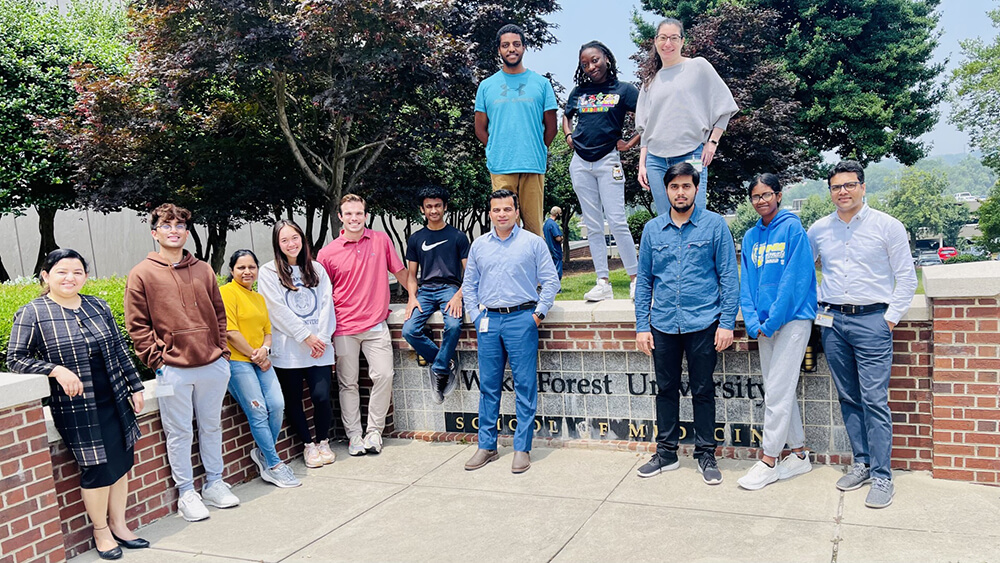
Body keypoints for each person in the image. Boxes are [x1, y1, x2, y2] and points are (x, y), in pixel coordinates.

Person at [8, 249, 148, 560]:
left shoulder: (97, 305)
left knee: (121, 463)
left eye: (77, 272)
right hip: (77, 406)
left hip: (113, 397)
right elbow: (15, 358)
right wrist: (54, 369)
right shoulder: (33, 312)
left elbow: (118, 349)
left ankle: (120, 525)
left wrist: (135, 385)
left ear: (85, 275)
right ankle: (101, 531)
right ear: (46, 276)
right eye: (61, 272)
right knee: (97, 468)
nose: (70, 278)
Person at [808, 160, 917, 509]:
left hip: (873, 321)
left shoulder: (888, 226)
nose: (843, 192)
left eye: (850, 185)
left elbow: (907, 278)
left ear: (863, 187)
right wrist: (817, 307)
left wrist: (889, 319)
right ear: (830, 191)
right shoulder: (819, 229)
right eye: (837, 186)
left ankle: (883, 476)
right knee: (848, 397)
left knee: (874, 399)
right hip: (833, 322)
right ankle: (862, 463)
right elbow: (804, 272)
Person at [125, 203, 240, 522]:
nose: (173, 230)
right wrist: (157, 362)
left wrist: (223, 355)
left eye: (179, 226)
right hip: (172, 368)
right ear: (154, 233)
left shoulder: (203, 270)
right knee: (178, 433)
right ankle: (186, 492)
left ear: (187, 233)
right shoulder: (141, 274)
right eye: (166, 225)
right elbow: (137, 325)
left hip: (212, 365)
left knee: (211, 426)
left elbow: (219, 314)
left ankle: (214, 483)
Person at [633, 162, 738, 485]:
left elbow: (729, 277)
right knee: (665, 390)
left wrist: (726, 323)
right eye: (674, 187)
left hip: (704, 323)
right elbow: (645, 281)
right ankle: (666, 453)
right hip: (663, 324)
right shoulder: (652, 230)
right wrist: (642, 325)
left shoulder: (714, 226)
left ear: (696, 189)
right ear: (666, 191)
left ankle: (706, 454)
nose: (680, 192)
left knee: (703, 390)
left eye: (686, 186)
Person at [462, 189, 560, 474]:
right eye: (496, 210)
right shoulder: (479, 245)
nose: (502, 214)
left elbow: (550, 281)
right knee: (489, 386)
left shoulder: (533, 243)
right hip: (489, 321)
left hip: (522, 319)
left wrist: (538, 315)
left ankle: (522, 448)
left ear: (517, 212)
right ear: (490, 213)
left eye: (507, 209)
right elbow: (469, 285)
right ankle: (487, 446)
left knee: (525, 386)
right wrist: (476, 314)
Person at [737, 173, 817, 491]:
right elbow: (748, 284)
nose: (761, 201)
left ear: (779, 195)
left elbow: (794, 281)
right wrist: (753, 321)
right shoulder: (750, 237)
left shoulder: (793, 229)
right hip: (765, 326)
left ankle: (769, 459)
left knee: (777, 392)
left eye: (767, 194)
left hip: (793, 320)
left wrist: (772, 322)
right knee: (778, 389)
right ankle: (798, 455)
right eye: (756, 196)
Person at [317, 194, 411, 457]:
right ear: (340, 217)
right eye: (349, 214)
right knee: (348, 383)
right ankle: (354, 436)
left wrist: (414, 297)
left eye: (359, 213)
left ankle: (374, 432)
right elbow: (322, 293)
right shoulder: (328, 253)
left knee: (384, 375)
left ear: (365, 215)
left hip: (376, 324)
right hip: (344, 327)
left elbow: (400, 271)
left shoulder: (380, 240)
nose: (354, 218)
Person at [563, 40, 640, 301]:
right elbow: (567, 115)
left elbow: (647, 116)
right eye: (585, 63)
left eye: (595, 60)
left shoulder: (624, 89)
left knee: (617, 221)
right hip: (580, 163)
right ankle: (603, 282)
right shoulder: (579, 91)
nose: (591, 66)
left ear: (606, 58)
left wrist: (630, 142)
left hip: (609, 160)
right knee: (593, 225)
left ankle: (635, 279)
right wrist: (568, 136)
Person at [636, 18, 739, 214]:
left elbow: (725, 106)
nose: (668, 44)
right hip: (655, 161)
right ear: (655, 41)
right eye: (663, 38)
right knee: (666, 220)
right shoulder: (650, 80)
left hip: (690, 153)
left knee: (695, 217)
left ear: (683, 41)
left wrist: (713, 142)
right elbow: (644, 128)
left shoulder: (698, 66)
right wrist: (642, 164)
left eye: (674, 38)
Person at [258, 220, 337, 470]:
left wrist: (321, 338)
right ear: (277, 245)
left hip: (319, 348)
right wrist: (306, 336)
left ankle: (323, 441)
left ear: (302, 240)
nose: (291, 244)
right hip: (289, 349)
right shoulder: (269, 272)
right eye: (284, 240)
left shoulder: (316, 269)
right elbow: (276, 310)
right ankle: (308, 445)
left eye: (295, 238)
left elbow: (327, 304)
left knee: (321, 396)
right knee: (293, 400)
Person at [219, 250, 300, 488]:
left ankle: (264, 454)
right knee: (258, 410)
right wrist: (256, 355)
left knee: (276, 405)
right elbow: (230, 332)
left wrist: (264, 350)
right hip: (238, 362)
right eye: (241, 268)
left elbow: (267, 331)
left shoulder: (259, 298)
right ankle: (274, 464)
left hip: (260, 359)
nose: (247, 272)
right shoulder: (226, 293)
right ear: (232, 271)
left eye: (251, 267)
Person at [474, 23, 558, 237]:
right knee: (505, 227)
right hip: (501, 165)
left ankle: (535, 271)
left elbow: (551, 127)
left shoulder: (541, 84)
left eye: (516, 44)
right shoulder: (486, 86)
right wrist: (497, 147)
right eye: (506, 45)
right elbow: (480, 128)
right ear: (499, 50)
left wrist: (536, 148)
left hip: (532, 163)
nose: (511, 49)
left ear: (524, 47)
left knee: (533, 229)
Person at [402, 187, 470, 404]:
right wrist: (412, 297)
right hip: (426, 291)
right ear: (422, 209)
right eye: (429, 206)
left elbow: (470, 273)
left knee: (453, 325)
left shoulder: (458, 236)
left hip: (450, 289)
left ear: (445, 207)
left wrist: (459, 295)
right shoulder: (416, 239)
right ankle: (446, 363)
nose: (434, 210)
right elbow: (411, 275)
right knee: (409, 330)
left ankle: (439, 367)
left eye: (438, 206)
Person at [542, 206, 564, 280]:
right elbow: (557, 238)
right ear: (557, 214)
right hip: (556, 249)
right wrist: (562, 238)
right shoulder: (553, 224)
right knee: (557, 268)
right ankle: (557, 287)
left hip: (549, 249)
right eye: (560, 213)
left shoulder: (546, 224)